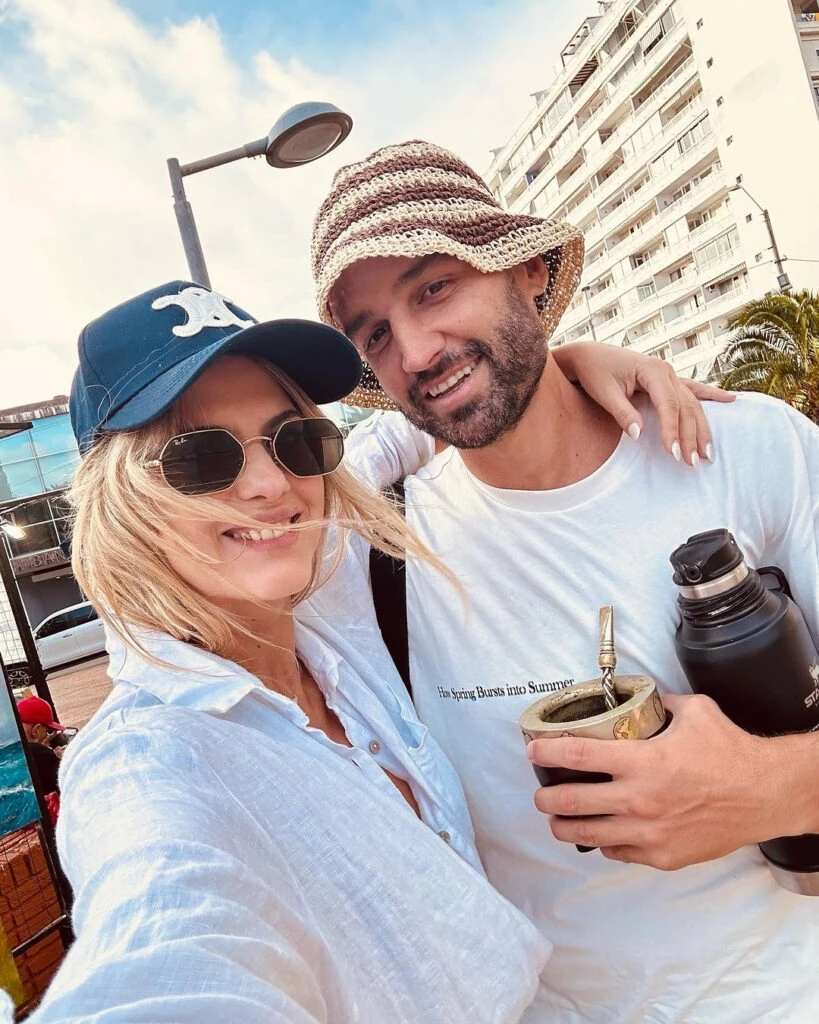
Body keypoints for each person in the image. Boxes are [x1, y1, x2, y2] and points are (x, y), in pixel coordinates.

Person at [309, 140, 819, 1021]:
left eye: (434, 287)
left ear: (529, 269)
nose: (417, 350)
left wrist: (770, 788)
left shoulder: (745, 449)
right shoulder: (377, 548)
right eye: (375, 334)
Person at [15, 282, 550, 1024]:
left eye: (296, 440)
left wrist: (571, 372)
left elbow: (399, 437)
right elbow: (170, 943)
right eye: (201, 460)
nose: (272, 485)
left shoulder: (325, 614)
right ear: (125, 501)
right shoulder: (147, 762)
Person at [16, 696, 62, 802]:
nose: (48, 735)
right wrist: (56, 757)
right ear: (35, 730)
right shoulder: (39, 753)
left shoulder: (15, 751)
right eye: (47, 731)